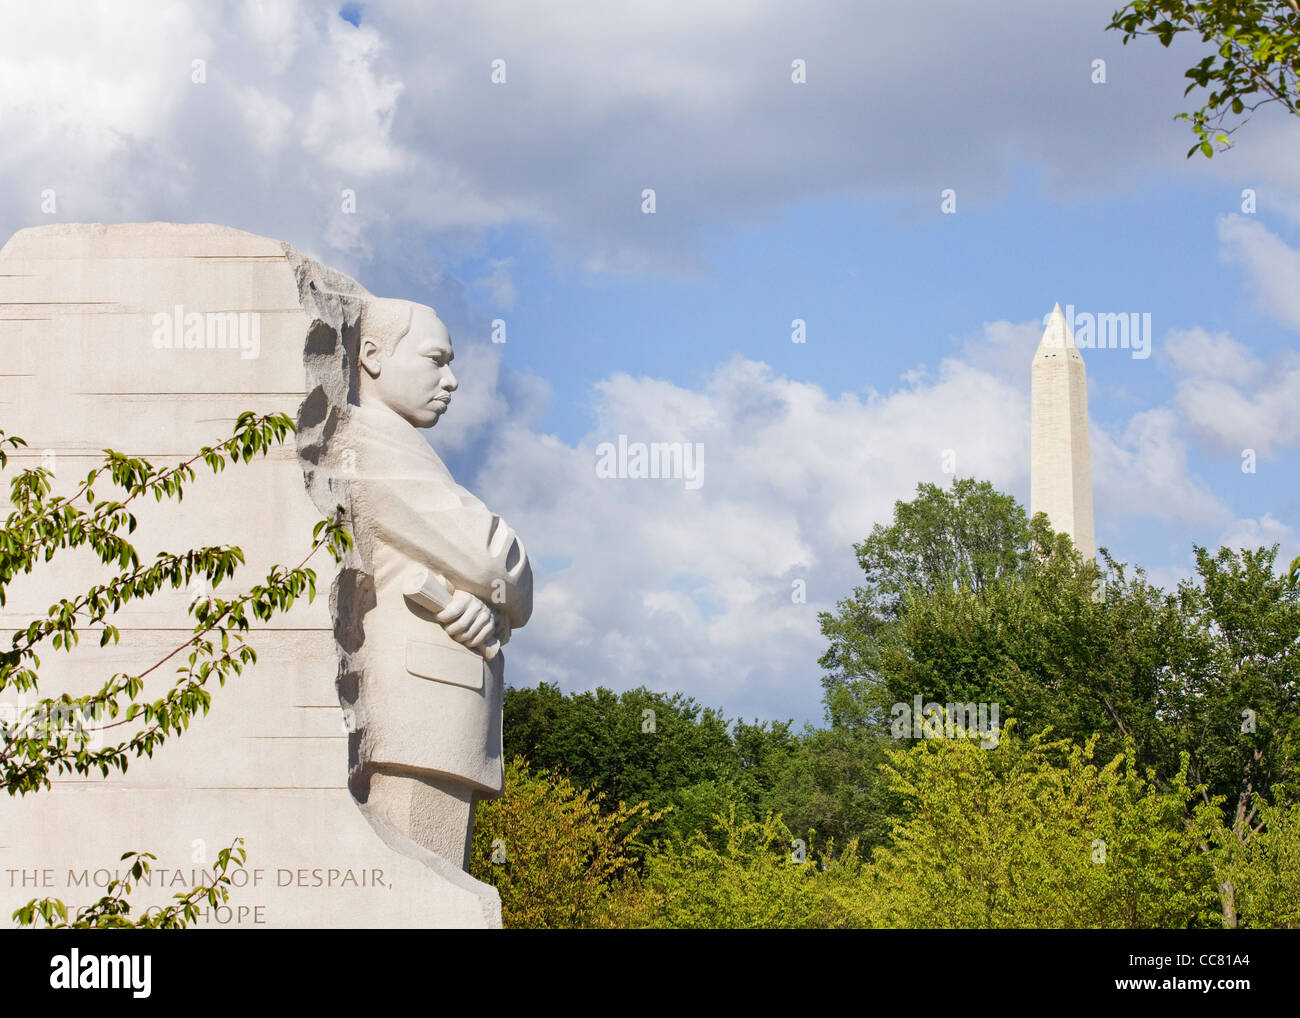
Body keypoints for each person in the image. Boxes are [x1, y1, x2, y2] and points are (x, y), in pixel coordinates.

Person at [332, 296, 532, 869]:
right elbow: (498, 562)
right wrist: (494, 588)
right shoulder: (370, 446)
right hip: (414, 712)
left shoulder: (402, 447)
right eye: (435, 360)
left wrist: (485, 606)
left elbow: (482, 579)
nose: (452, 380)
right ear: (370, 356)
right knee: (416, 889)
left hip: (434, 708)